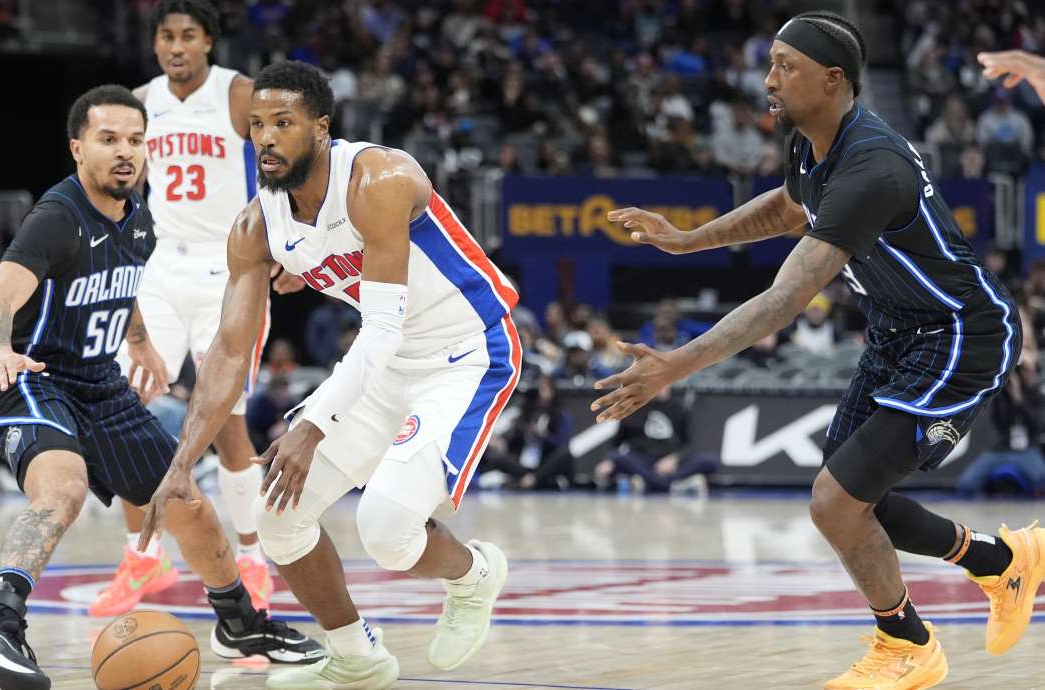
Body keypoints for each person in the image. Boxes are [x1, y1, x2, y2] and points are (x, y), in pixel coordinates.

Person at [597, 12, 1042, 690]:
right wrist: (684, 240)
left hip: (960, 337)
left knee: (837, 501)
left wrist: (677, 364)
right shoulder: (813, 145)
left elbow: (786, 299)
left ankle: (909, 646)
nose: (768, 80)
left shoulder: (874, 166)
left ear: (833, 80)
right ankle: (1000, 560)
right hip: (897, 332)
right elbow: (787, 207)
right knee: (852, 502)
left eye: (785, 66)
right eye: (770, 64)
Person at [140, 61, 521, 690]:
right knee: (276, 516)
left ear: (321, 127)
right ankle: (357, 657)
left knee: (388, 533)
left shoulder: (379, 178)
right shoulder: (256, 224)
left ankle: (475, 574)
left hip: (464, 352)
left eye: (282, 123)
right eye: (256, 124)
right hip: (384, 366)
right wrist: (181, 465)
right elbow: (228, 353)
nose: (265, 137)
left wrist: (312, 423)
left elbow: (381, 329)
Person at [0, 85, 322, 690]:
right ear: (77, 148)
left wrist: (139, 337)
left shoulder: (138, 216)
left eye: (137, 141)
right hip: (37, 381)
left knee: (185, 503)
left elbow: (123, 281)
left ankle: (240, 622)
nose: (126, 152)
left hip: (102, 385)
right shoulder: (56, 218)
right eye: (109, 139)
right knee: (61, 491)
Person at [96, 0, 303, 619]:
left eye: (189, 35)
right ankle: (144, 554)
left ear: (209, 42)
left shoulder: (237, 94)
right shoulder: (138, 102)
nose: (177, 46)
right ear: (156, 44)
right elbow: (114, 188)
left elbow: (286, 157)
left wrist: (293, 244)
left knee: (227, 421)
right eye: (167, 36)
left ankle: (251, 560)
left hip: (229, 264)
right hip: (159, 264)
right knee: (119, 408)